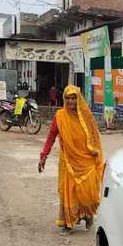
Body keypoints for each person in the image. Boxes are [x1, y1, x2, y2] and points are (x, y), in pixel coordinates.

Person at [38, 84, 104, 234]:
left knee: (88, 192)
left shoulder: (87, 116)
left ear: (78, 99)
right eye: (67, 98)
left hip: (86, 160)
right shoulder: (60, 117)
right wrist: (44, 156)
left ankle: (87, 214)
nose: (70, 102)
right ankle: (68, 223)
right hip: (68, 161)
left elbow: (94, 136)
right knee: (68, 192)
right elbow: (51, 137)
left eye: (73, 98)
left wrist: (94, 150)